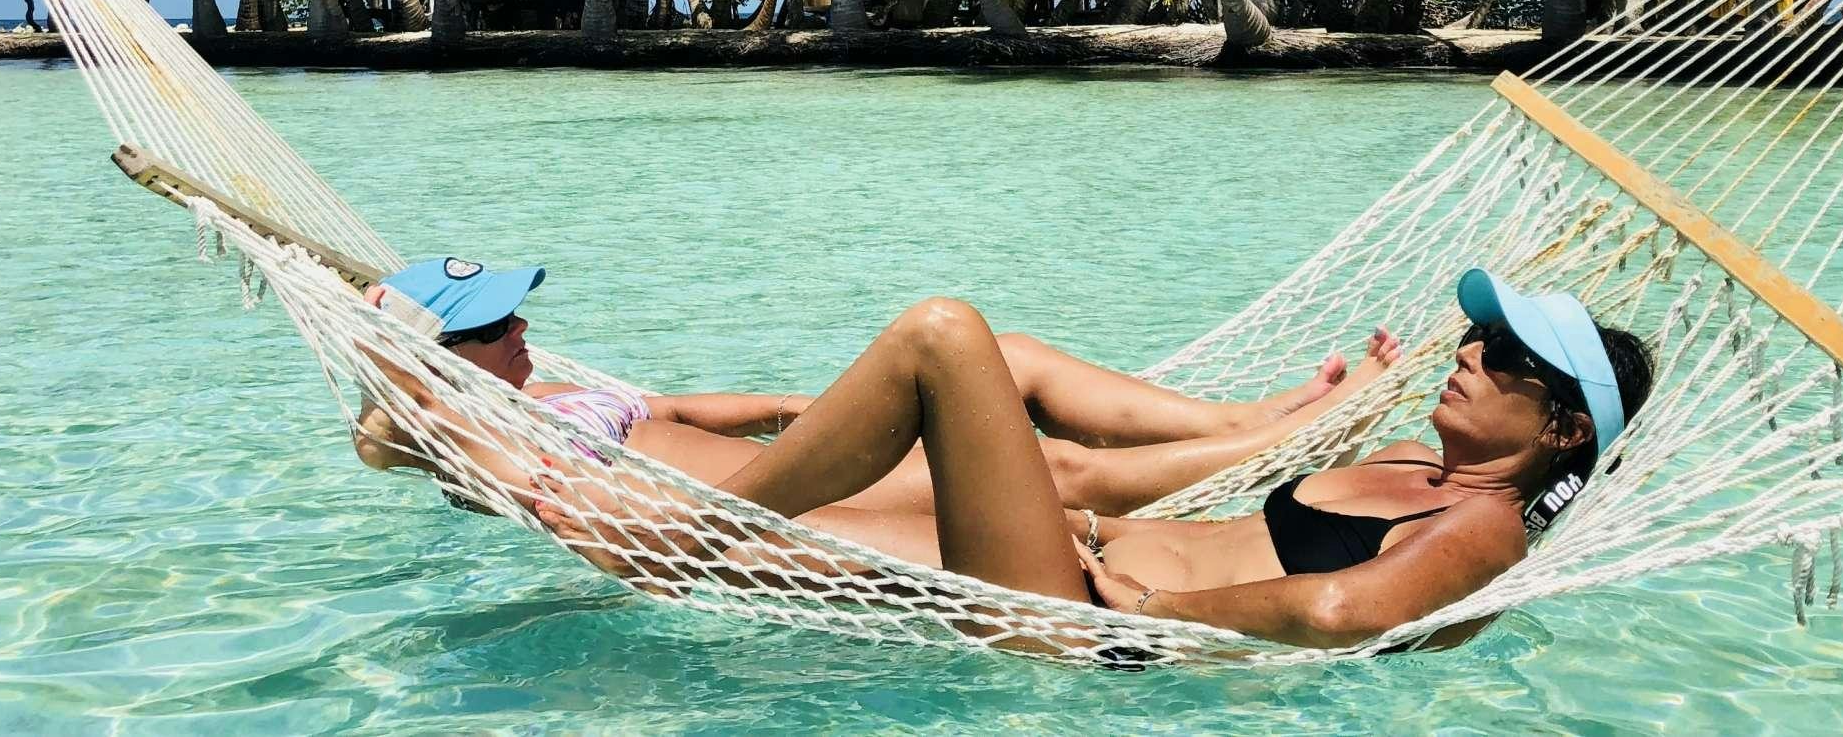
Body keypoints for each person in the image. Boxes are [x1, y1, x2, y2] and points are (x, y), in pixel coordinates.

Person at [542, 268, 1650, 653]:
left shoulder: (1484, 531)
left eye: (1505, 355)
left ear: (1563, 429)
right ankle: (535, 477)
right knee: (755, 546)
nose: (1469, 353)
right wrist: (1095, 523)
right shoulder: (1414, 462)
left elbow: (1336, 612)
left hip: (1088, 628)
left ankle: (699, 522)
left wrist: (1149, 610)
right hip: (1074, 565)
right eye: (1477, 334)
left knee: (945, 339)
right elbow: (1242, 512)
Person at [352, 255, 1400, 522]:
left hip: (787, 463)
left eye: (516, 312)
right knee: (1044, 471)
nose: (523, 329)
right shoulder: (457, 432)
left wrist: (840, 412)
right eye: (492, 326)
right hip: (752, 514)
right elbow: (380, 436)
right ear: (436, 361)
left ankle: (1246, 418)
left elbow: (707, 411)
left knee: (1011, 358)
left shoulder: (557, 398)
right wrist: (377, 336)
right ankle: (1290, 450)